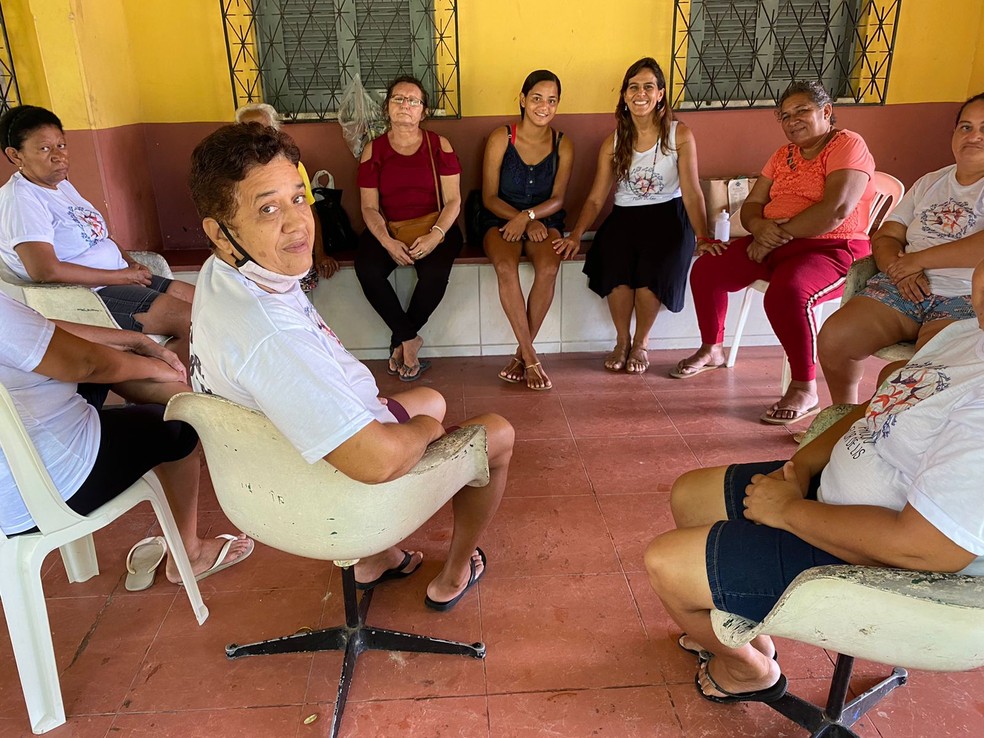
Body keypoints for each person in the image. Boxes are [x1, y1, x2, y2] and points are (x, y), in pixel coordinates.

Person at [187, 123, 513, 610]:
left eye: (299, 198)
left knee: (433, 397)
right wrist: (425, 430)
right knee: (497, 434)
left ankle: (375, 560)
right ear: (220, 230)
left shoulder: (225, 273)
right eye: (268, 209)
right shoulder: (271, 338)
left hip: (269, 476)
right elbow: (377, 462)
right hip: (335, 496)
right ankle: (455, 570)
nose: (298, 224)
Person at [644, 257, 984, 705]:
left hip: (893, 561)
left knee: (667, 563)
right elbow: (873, 410)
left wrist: (787, 511)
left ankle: (746, 670)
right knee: (691, 494)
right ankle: (739, 628)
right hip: (836, 500)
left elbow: (926, 548)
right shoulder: (967, 332)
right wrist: (800, 468)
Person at [0, 290, 252, 586]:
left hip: (10, 497)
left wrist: (134, 341)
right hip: (48, 486)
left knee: (114, 364)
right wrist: (157, 368)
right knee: (179, 427)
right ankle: (189, 552)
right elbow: (86, 364)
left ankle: (205, 413)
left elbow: (41, 329)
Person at [672, 81, 876, 425]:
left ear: (826, 112)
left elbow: (836, 210)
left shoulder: (848, 145)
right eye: (785, 115)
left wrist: (772, 235)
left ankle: (804, 386)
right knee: (708, 269)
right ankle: (712, 348)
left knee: (789, 293)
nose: (792, 120)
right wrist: (760, 229)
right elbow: (752, 205)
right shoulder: (783, 155)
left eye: (802, 111)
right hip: (776, 243)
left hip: (834, 248)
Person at [819, 93, 984, 404]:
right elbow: (887, 235)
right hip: (902, 286)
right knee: (835, 339)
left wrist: (916, 261)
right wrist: (898, 268)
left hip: (964, 298)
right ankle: (841, 414)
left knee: (923, 377)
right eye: (966, 127)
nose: (974, 136)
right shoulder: (931, 182)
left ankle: (879, 433)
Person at [0, 105, 194, 365]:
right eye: (45, 149)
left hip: (121, 277)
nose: (59, 156)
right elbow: (45, 271)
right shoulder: (21, 199)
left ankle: (180, 371)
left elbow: (99, 234)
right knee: (192, 318)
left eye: (61, 145)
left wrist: (129, 262)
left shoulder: (62, 186)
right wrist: (120, 276)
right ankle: (177, 386)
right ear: (15, 155)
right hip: (93, 293)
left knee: (208, 304)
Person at [555, 58, 710, 375]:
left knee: (650, 278)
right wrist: (575, 234)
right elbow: (597, 197)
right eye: (633, 87)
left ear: (660, 94)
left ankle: (641, 343)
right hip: (625, 218)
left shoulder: (679, 135)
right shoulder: (613, 142)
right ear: (625, 95)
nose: (640, 93)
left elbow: (692, 191)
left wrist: (704, 235)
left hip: (669, 216)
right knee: (616, 270)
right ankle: (622, 342)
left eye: (648, 87)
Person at [355, 75, 464, 382]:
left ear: (423, 111)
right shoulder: (373, 151)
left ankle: (401, 340)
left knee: (434, 273)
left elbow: (454, 201)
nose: (405, 105)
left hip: (438, 226)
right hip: (391, 229)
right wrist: (387, 241)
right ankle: (409, 339)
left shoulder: (438, 146)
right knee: (367, 268)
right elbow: (369, 207)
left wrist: (436, 236)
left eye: (413, 101)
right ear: (387, 107)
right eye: (398, 99)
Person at [478, 70, 575, 391]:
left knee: (549, 266)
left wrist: (532, 217)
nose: (543, 106)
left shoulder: (563, 144)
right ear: (522, 99)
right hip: (499, 217)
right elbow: (488, 196)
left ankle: (522, 355)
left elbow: (559, 197)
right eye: (536, 98)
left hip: (544, 220)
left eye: (551, 100)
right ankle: (531, 358)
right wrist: (521, 218)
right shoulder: (501, 138)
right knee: (505, 266)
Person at [234, 103, 339, 292]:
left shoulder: (292, 167)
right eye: (247, 129)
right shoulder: (232, 175)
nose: (256, 137)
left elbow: (309, 210)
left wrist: (320, 254)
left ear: (274, 131)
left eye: (263, 129)